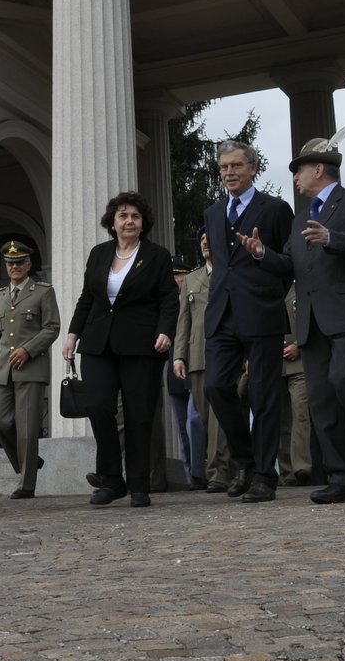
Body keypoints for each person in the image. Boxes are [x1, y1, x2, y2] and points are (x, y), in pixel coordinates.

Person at [241, 129, 345, 504]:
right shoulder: (300, 219)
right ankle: (342, 478)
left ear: (319, 169)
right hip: (310, 322)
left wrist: (333, 239)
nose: (294, 177)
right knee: (322, 400)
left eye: (299, 170)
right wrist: (262, 253)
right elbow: (290, 265)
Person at [62, 192, 179, 507]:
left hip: (142, 344)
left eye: (135, 216)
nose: (129, 221)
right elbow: (88, 296)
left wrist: (166, 331)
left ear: (143, 223)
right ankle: (111, 480)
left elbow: (169, 298)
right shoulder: (99, 253)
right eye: (123, 216)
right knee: (99, 407)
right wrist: (73, 333)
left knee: (140, 414)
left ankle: (139, 485)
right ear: (112, 223)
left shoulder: (156, 256)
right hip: (98, 342)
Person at [204, 139, 293, 503]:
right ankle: (244, 461)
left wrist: (261, 254)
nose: (229, 173)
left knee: (264, 394)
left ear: (253, 168)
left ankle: (263, 476)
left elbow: (289, 265)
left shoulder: (274, 209)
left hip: (261, 312)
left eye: (236, 166)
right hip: (221, 313)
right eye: (224, 167)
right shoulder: (212, 213)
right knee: (216, 387)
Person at [0, 241, 60, 499]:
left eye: (19, 262)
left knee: (27, 429)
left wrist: (28, 349)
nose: (14, 267)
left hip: (31, 368)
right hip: (3, 369)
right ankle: (28, 462)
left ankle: (27, 484)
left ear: (29, 264)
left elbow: (52, 328)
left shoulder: (43, 292)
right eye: (10, 263)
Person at [174, 229, 230, 491]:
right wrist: (179, 357)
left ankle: (218, 472)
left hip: (226, 354)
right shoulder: (192, 279)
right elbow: (183, 321)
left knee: (221, 416)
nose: (206, 242)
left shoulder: (231, 272)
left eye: (210, 238)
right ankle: (224, 467)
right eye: (202, 240)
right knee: (205, 418)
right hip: (197, 356)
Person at [164, 253, 197, 489]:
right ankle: (190, 476)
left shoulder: (195, 296)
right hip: (175, 371)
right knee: (183, 428)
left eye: (178, 275)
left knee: (195, 423)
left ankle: (203, 471)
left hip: (195, 365)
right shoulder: (166, 303)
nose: (176, 280)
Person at [278, 284, 314, 485]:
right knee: (281, 418)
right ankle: (287, 471)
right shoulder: (268, 286)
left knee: (300, 413)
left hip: (299, 362)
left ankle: (301, 467)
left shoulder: (302, 287)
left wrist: (300, 344)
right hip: (275, 364)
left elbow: (313, 317)